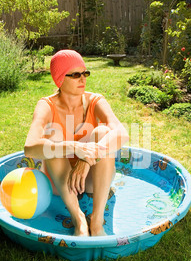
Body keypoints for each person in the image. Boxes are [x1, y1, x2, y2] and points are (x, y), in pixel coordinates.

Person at [24, 50, 129, 236]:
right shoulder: (46, 105)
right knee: (52, 140)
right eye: (75, 75)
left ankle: (96, 222)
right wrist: (74, 147)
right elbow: (30, 148)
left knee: (103, 132)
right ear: (59, 79)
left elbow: (122, 134)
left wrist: (86, 159)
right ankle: (79, 219)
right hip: (59, 183)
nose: (83, 79)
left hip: (90, 180)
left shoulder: (95, 100)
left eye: (85, 73)